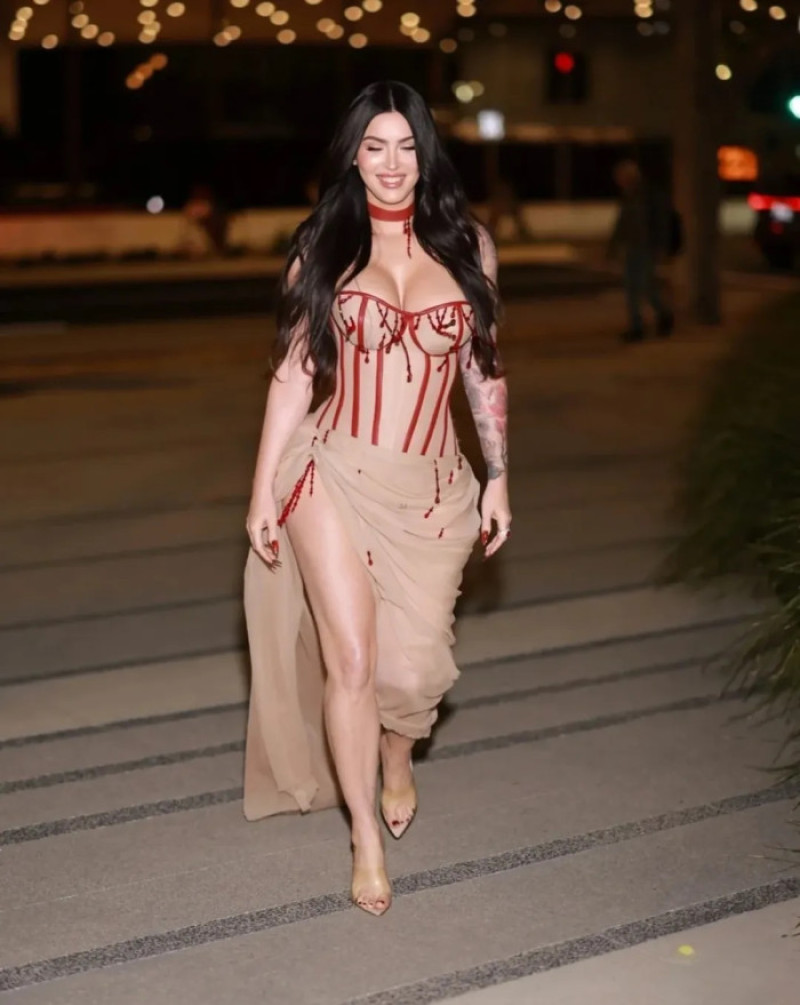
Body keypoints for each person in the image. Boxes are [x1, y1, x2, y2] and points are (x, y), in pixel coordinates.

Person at [243, 81, 511, 917]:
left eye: (406, 146)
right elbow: (294, 374)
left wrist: (500, 473)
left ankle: (398, 750)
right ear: (353, 156)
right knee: (353, 660)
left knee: (414, 669)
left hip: (432, 488)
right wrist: (261, 490)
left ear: (425, 154)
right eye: (374, 146)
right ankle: (363, 835)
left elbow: (483, 370)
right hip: (332, 469)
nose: (392, 163)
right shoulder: (322, 246)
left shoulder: (469, 246)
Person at [608, 160, 674, 342]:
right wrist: (613, 246)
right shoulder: (627, 197)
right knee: (632, 288)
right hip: (633, 247)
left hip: (647, 247)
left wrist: (661, 247)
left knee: (646, 286)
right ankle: (637, 326)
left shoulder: (648, 195)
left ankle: (663, 315)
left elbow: (660, 222)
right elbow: (622, 223)